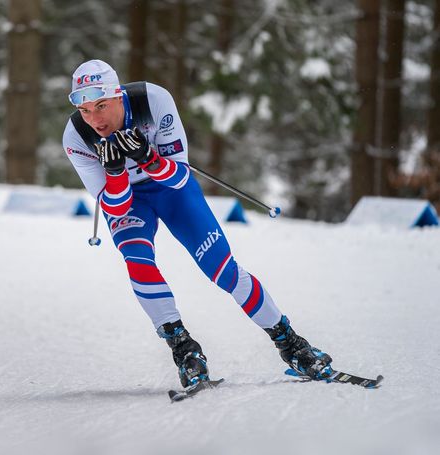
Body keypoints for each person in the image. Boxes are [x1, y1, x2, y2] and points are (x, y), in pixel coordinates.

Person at [62, 59, 332, 389]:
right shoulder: (77, 136)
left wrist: (148, 158)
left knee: (222, 269)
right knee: (137, 261)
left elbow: (178, 177)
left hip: (171, 190)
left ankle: (292, 344)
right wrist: (117, 172)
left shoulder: (152, 101)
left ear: (118, 96)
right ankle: (184, 350)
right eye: (86, 110)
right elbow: (112, 206)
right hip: (129, 201)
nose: (95, 119)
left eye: (101, 105)